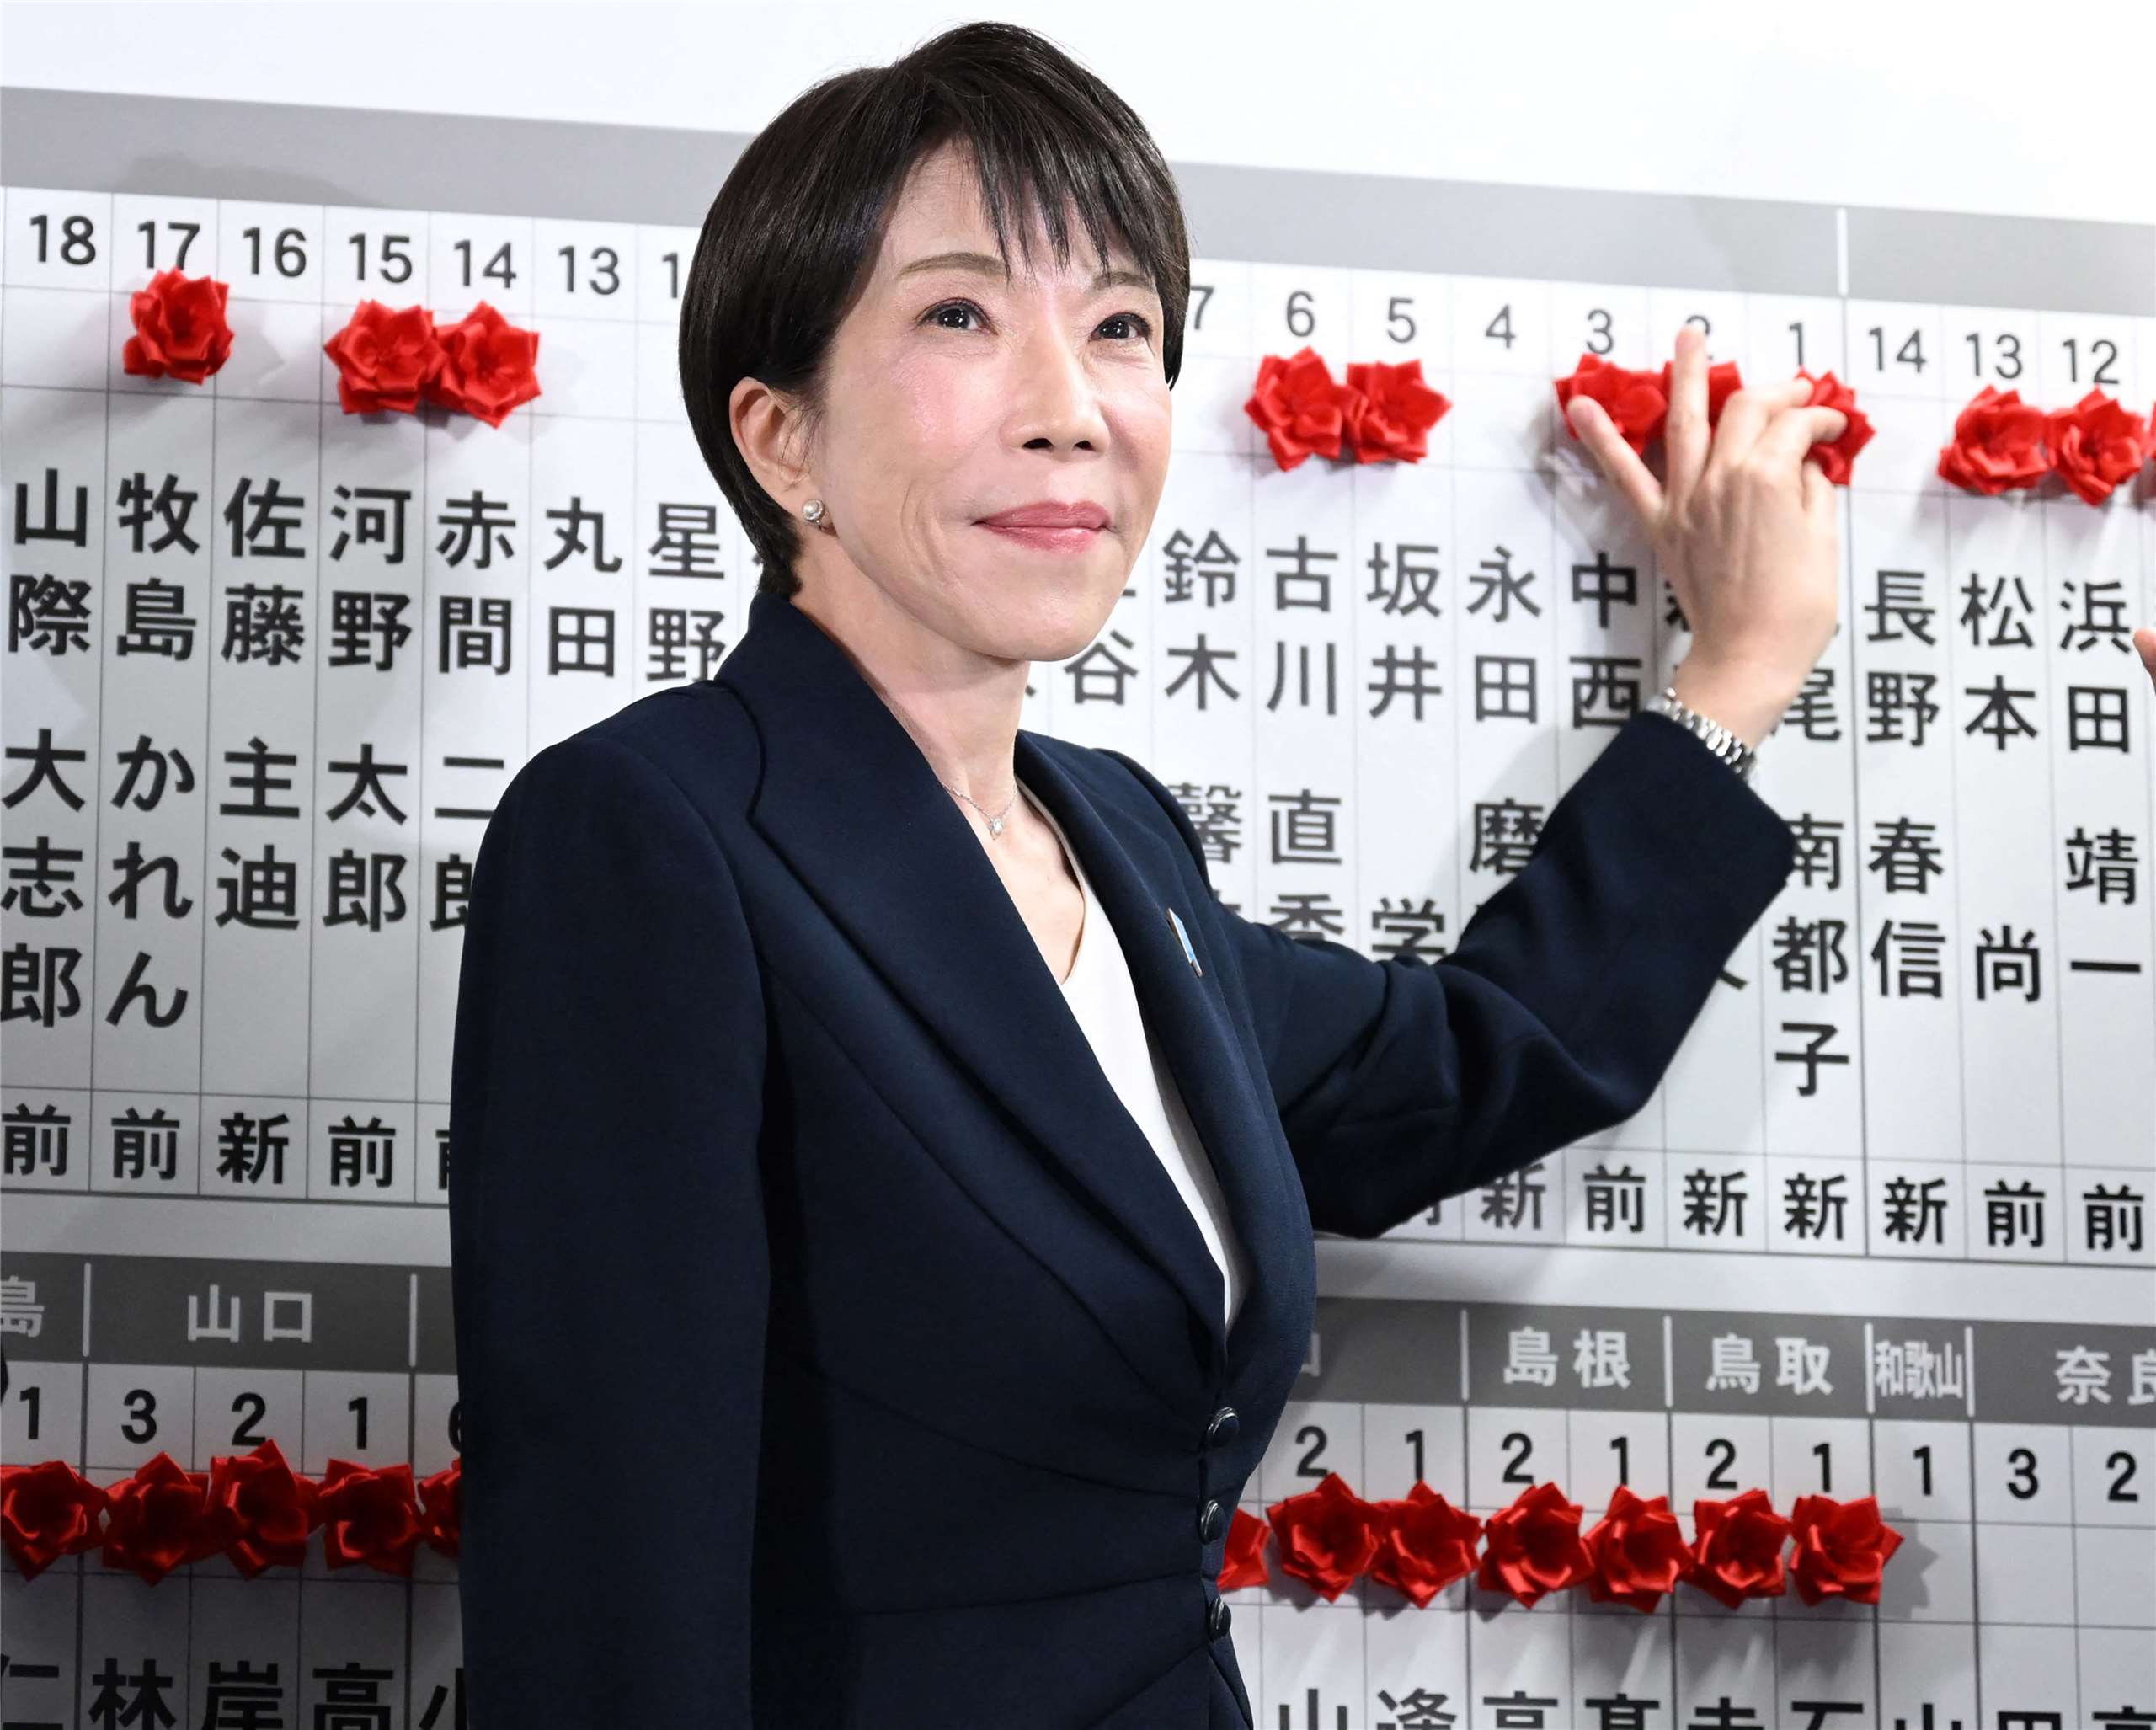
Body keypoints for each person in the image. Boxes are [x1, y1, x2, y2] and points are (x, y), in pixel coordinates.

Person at [444, 21, 2155, 1730]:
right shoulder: (651, 836)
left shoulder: (1113, 839)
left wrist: (1737, 671)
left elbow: (1473, 1059)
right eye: (959, 315)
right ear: (780, 438)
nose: (1069, 409)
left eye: (1119, 326)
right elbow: (604, 1579)